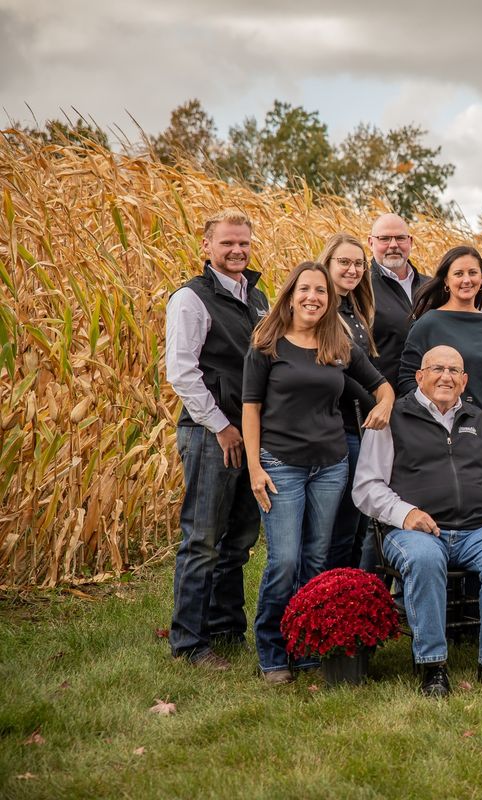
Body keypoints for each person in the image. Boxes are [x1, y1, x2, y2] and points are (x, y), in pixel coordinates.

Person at [243, 262, 394, 684]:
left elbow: (382, 385)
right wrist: (255, 467)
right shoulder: (266, 346)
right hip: (280, 465)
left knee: (316, 560)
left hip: (330, 466)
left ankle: (306, 646)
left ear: (330, 301)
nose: (313, 297)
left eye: (321, 292)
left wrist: (384, 405)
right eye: (305, 290)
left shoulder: (339, 346)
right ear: (290, 295)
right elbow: (250, 409)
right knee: (284, 560)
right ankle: (272, 651)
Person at [353, 345, 482, 697]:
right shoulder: (393, 416)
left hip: (475, 530)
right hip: (414, 531)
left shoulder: (480, 421)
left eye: (454, 371)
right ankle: (432, 667)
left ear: (464, 381)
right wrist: (408, 513)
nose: (445, 377)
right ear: (420, 376)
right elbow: (366, 487)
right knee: (424, 558)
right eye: (437, 369)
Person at [165, 208, 269, 671]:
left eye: (243, 243)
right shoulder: (192, 299)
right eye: (227, 243)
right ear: (206, 246)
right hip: (211, 433)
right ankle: (189, 642)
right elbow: (182, 373)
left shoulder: (258, 297)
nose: (236, 251)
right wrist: (221, 426)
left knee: (240, 538)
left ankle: (227, 627)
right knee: (202, 538)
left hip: (249, 434)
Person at [318, 233, 378, 569]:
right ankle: (333, 599)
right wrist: (378, 401)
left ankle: (355, 597)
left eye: (358, 263)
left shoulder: (354, 311)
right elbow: (341, 374)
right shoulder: (322, 311)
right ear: (327, 263)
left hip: (361, 426)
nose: (352, 269)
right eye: (344, 262)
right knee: (342, 524)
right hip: (339, 427)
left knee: (359, 522)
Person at [398, 246, 482, 412]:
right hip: (450, 427)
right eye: (458, 274)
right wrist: (436, 414)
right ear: (446, 281)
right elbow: (408, 378)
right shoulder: (429, 323)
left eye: (472, 273)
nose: (466, 280)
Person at [367, 213, 426, 389]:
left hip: (434, 402)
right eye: (384, 238)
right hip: (385, 401)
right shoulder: (361, 289)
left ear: (411, 241)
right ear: (371, 242)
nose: (393, 245)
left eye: (400, 238)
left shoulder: (431, 286)